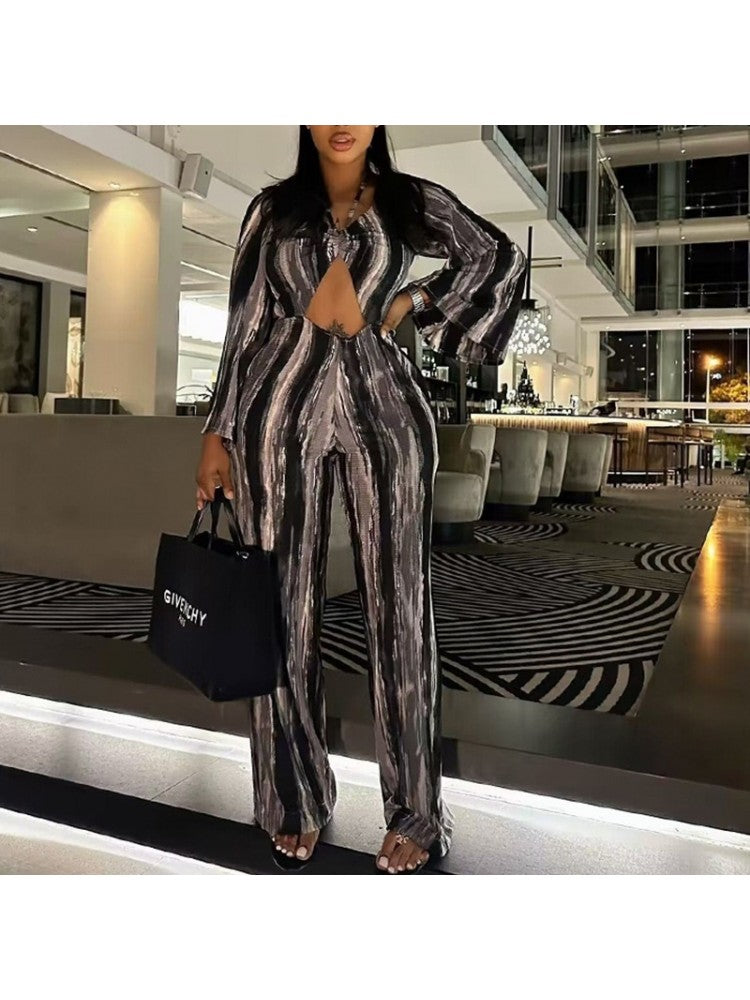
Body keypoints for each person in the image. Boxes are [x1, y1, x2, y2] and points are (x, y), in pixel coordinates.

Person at [195, 125, 526, 874]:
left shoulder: (411, 202)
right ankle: (294, 799)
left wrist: (416, 299)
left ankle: (417, 810)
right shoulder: (272, 210)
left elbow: (498, 256)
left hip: (387, 406)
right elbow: (244, 323)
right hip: (280, 406)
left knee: (401, 606)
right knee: (280, 605)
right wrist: (217, 431)